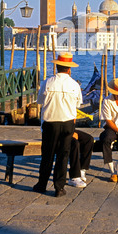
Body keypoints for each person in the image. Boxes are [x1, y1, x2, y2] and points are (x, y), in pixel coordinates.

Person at [33, 52, 82, 197]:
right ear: (69, 69)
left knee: (47, 155)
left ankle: (42, 184)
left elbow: (40, 101)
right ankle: (59, 187)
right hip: (67, 123)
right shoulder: (75, 85)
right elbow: (78, 104)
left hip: (50, 123)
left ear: (57, 67)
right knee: (63, 155)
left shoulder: (47, 83)